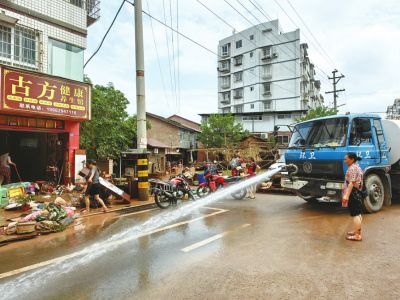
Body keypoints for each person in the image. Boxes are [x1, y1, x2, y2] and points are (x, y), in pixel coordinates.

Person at [342, 152, 364, 241]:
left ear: (352, 159)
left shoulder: (352, 168)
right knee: (358, 213)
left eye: (346, 159)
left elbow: (351, 183)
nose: (345, 161)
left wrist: (346, 195)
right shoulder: (356, 166)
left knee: (355, 214)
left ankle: (357, 235)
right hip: (357, 191)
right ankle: (356, 231)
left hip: (353, 192)